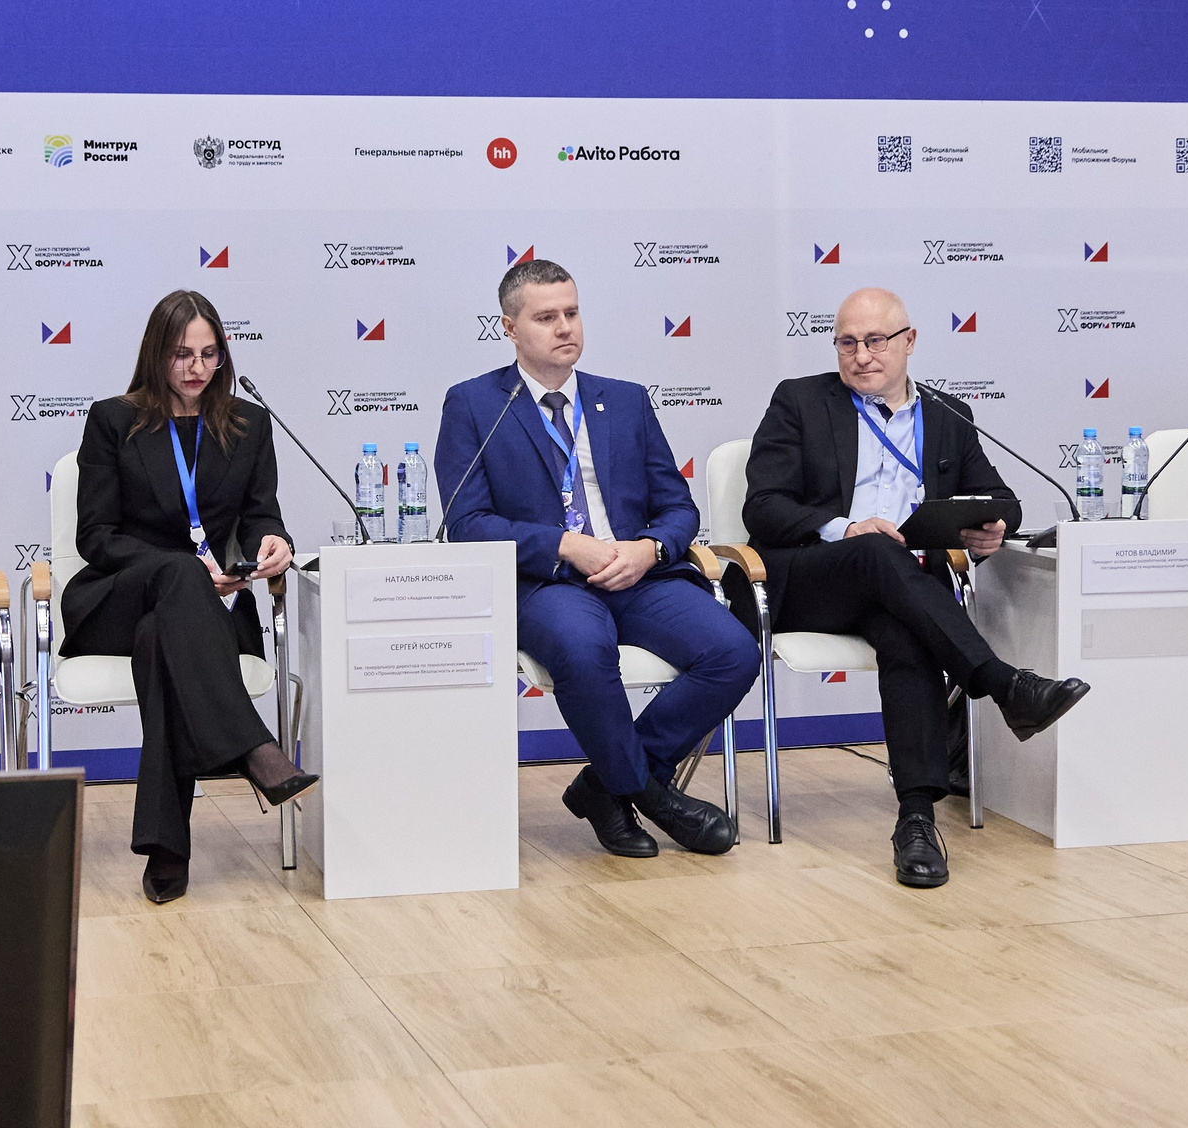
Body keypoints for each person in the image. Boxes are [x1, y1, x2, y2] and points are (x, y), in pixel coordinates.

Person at [743, 287, 1090, 887]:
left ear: (909, 342)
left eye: (876, 341)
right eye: (847, 343)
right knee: (877, 549)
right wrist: (845, 528)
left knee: (907, 631)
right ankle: (1002, 683)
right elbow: (763, 506)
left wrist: (989, 527)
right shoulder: (800, 401)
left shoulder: (948, 414)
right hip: (811, 579)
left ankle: (917, 820)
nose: (861, 356)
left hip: (899, 591)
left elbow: (1002, 499)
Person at [436, 258, 762, 858]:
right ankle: (648, 795)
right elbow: (468, 524)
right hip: (548, 583)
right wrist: (564, 544)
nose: (565, 327)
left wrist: (649, 549)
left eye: (572, 312)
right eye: (546, 317)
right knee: (584, 650)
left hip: (639, 575)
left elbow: (677, 507)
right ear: (509, 328)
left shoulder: (626, 400)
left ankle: (606, 785)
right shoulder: (476, 405)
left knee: (734, 651)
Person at [61, 289, 314, 904]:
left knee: (162, 642)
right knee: (177, 577)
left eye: (209, 354)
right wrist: (187, 569)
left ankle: (166, 849)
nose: (197, 368)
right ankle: (253, 748)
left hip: (206, 613)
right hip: (118, 598)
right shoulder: (113, 420)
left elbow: (261, 515)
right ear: (156, 354)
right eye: (181, 354)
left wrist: (273, 544)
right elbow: (96, 536)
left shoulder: (249, 425)